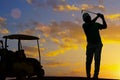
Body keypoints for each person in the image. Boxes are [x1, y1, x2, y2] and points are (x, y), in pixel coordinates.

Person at [82, 12, 107, 79]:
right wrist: (98, 17)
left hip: (98, 44)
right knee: (88, 61)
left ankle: (95, 76)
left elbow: (105, 26)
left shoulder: (96, 24)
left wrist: (102, 18)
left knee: (97, 59)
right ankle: (88, 76)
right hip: (90, 45)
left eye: (88, 17)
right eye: (86, 18)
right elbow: (90, 24)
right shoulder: (84, 25)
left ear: (90, 17)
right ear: (84, 20)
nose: (88, 18)